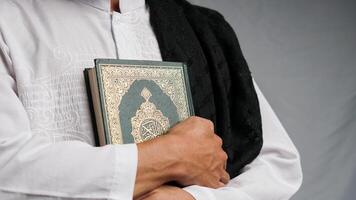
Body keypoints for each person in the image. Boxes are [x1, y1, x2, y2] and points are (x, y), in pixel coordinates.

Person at [0, 0, 302, 199]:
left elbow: (278, 164)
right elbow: (5, 167)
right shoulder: (8, 19)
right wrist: (170, 156)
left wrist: (195, 199)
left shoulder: (202, 30)